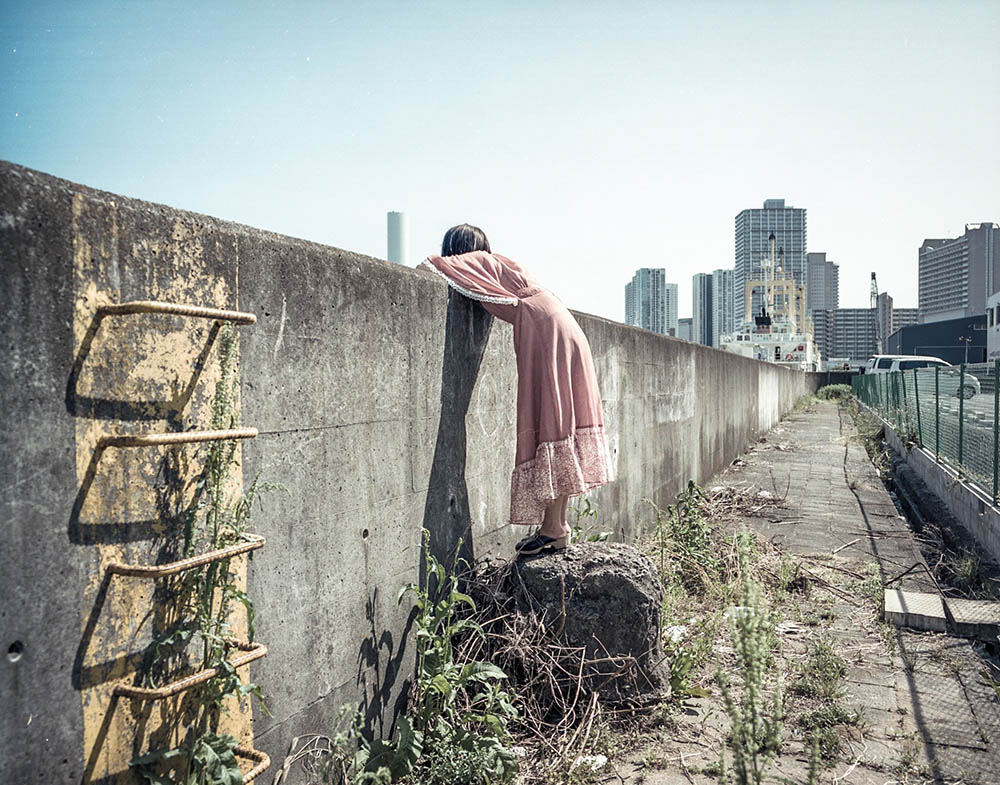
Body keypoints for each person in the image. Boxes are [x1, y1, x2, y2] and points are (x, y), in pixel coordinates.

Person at [420, 224, 613, 556]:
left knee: (549, 426)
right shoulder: (500, 266)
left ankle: (553, 529)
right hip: (559, 325)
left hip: (543, 330)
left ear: (459, 248)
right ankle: (556, 528)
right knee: (558, 426)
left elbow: (431, 266)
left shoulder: (478, 260)